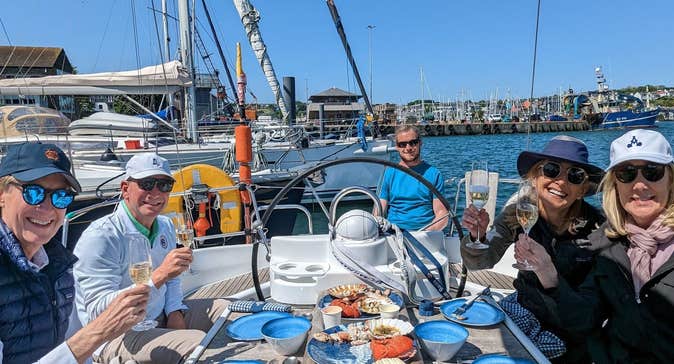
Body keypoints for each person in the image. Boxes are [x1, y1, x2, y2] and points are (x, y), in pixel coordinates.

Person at [524, 129, 674, 362]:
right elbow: (585, 318)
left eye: (652, 172)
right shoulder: (607, 244)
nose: (639, 185)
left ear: (670, 180)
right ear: (615, 185)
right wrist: (549, 276)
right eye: (627, 174)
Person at [0, 142, 149, 364]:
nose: (48, 208)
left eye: (61, 196)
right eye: (34, 192)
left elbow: (62, 348)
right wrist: (97, 333)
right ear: (2, 194)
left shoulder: (56, 266)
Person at [460, 135, 605, 362]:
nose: (560, 181)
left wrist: (548, 274)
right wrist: (476, 235)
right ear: (535, 177)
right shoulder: (518, 212)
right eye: (551, 169)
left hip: (566, 329)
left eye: (574, 175)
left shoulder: (598, 231)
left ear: (582, 189)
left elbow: (589, 316)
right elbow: (479, 263)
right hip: (523, 310)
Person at [73, 152, 228, 364]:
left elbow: (172, 279)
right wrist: (158, 276)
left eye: (164, 185)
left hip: (159, 315)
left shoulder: (164, 225)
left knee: (230, 311)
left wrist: (174, 311)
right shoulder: (101, 236)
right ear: (125, 189)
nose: (156, 193)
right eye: (147, 183)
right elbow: (97, 310)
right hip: (116, 335)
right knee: (197, 344)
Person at [378, 125, 448, 231]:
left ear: (420, 143)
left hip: (425, 233)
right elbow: (380, 208)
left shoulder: (434, 174)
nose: (408, 148)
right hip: (393, 234)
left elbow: (441, 213)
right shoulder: (389, 173)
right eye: (402, 144)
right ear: (397, 147)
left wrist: (425, 233)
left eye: (413, 142)